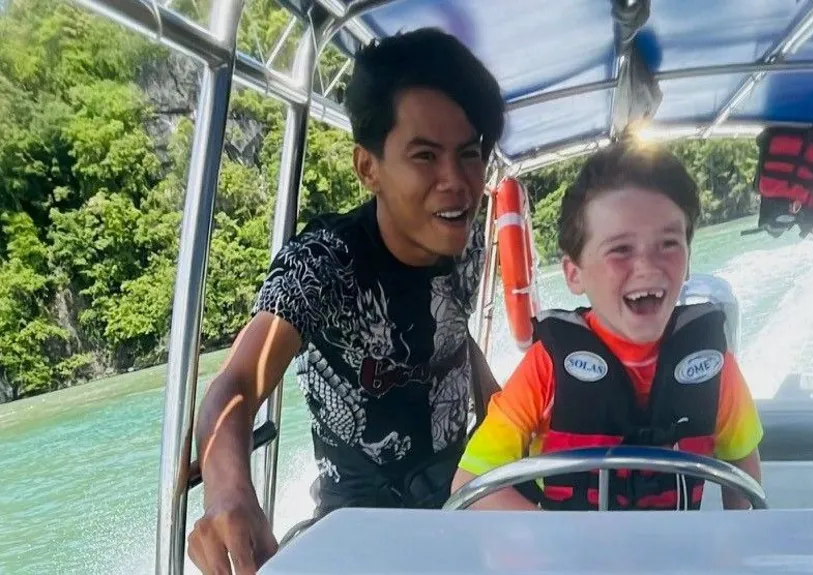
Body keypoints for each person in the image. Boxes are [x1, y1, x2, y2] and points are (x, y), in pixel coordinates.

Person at [187, 28, 505, 574]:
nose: (457, 182)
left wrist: (501, 405)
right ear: (368, 167)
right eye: (425, 156)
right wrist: (228, 495)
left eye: (470, 153)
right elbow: (235, 385)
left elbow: (454, 334)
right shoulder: (324, 262)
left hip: (467, 494)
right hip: (362, 525)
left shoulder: (467, 236)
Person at [451, 139, 763, 511]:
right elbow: (469, 484)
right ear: (574, 274)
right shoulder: (546, 368)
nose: (648, 267)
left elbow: (742, 465)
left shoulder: (713, 366)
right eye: (620, 249)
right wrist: (562, 549)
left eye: (668, 243)